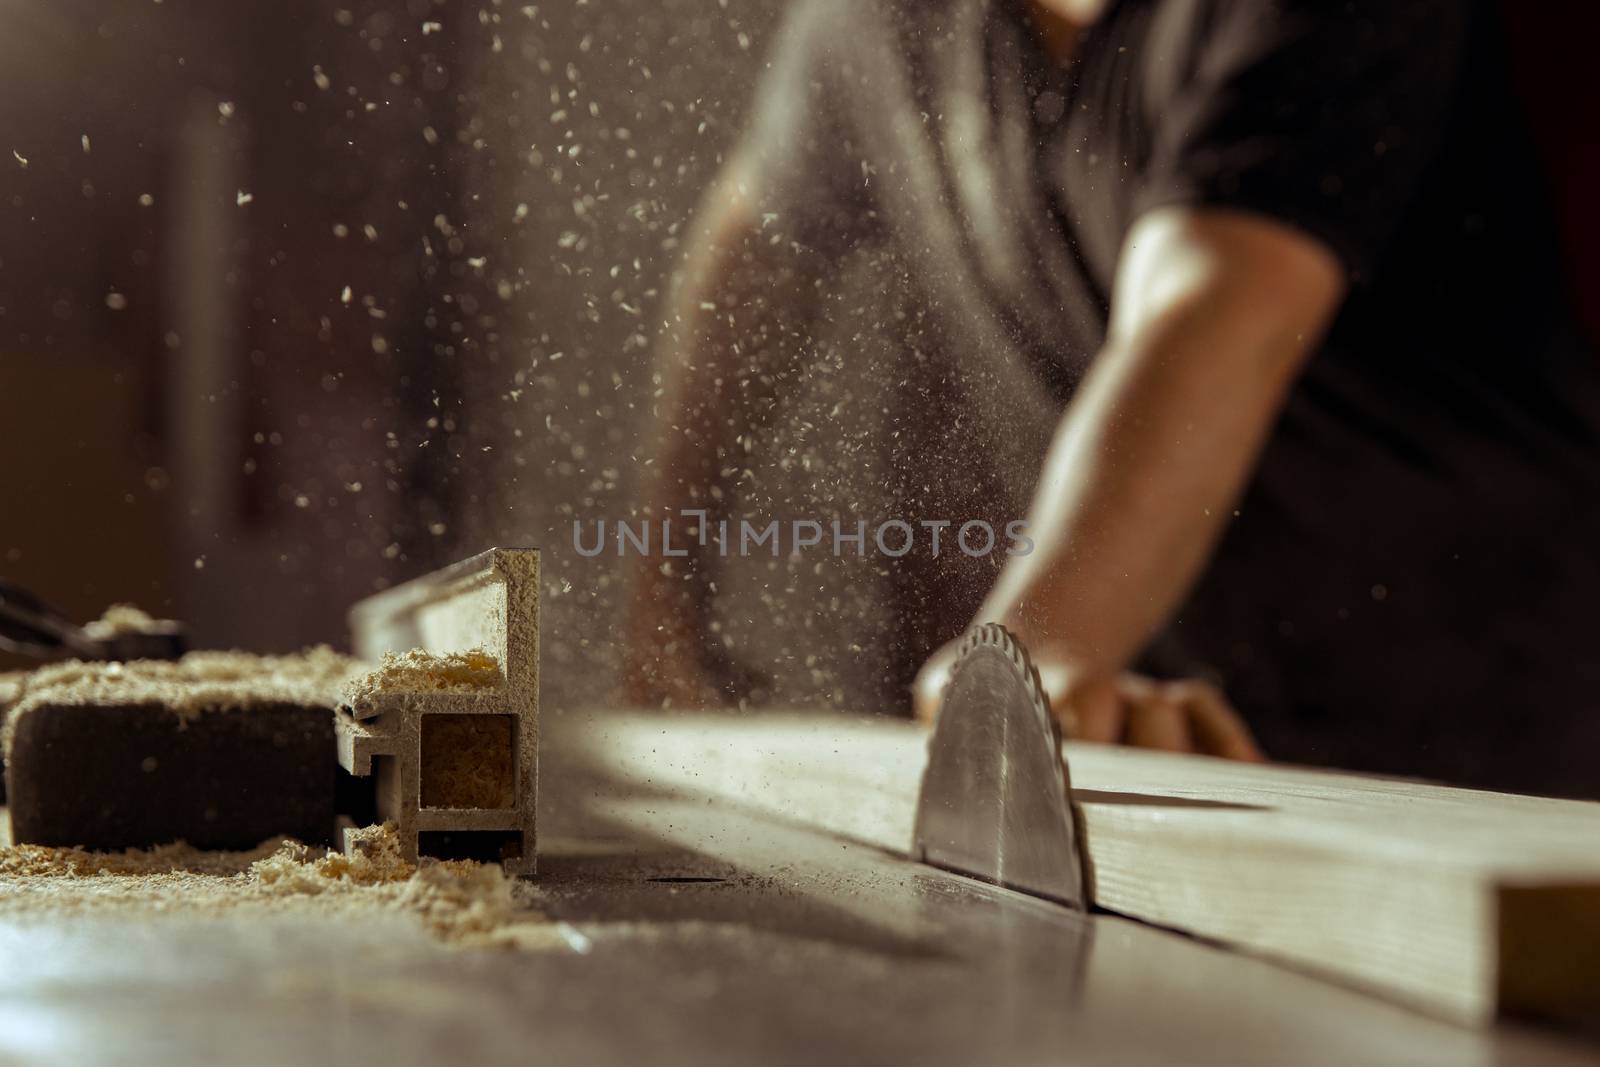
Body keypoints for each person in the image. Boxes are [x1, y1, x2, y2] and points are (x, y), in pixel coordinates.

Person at [625, 0, 1600, 798]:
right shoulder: (882, 22)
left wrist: (1030, 651)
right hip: (1181, 713)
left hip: (1508, 729)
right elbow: (759, 244)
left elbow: (1215, 306)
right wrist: (662, 589)